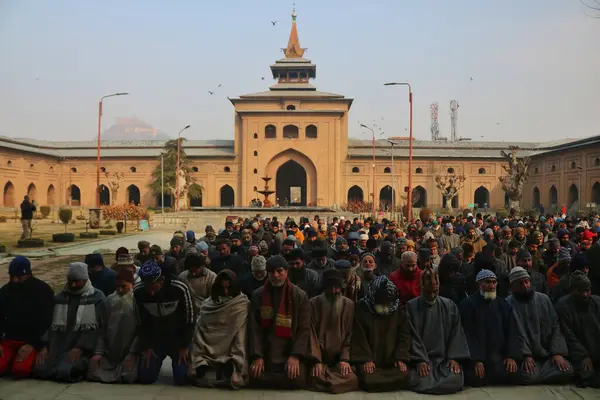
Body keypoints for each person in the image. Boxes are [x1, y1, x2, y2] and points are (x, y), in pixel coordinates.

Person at [32, 263, 106, 382]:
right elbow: (51, 326)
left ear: (85, 279)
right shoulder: (60, 297)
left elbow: (97, 329)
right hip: (58, 346)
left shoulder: (97, 297)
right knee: (39, 367)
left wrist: (80, 348)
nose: (73, 285)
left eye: (77, 281)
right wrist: (45, 347)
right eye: (70, 281)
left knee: (66, 370)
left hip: (84, 349)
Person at [247, 255, 311, 389]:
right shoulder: (258, 295)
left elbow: (303, 329)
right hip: (267, 353)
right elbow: (254, 329)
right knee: (253, 375)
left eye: (279, 271)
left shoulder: (299, 295)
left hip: (289, 352)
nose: (275, 275)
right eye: (271, 272)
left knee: (297, 379)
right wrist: (257, 356)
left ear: (286, 272)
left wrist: (295, 356)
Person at [506, 267, 574, 384]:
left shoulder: (544, 299)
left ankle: (539, 375)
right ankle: (541, 374)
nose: (525, 286)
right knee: (527, 376)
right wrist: (525, 355)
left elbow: (555, 327)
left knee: (568, 369)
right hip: (527, 357)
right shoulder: (508, 304)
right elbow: (513, 334)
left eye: (526, 281)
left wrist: (557, 353)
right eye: (520, 283)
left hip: (548, 355)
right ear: (513, 286)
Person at [407, 268, 470, 394]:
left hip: (444, 360)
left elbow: (456, 333)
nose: (431, 295)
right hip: (422, 359)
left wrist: (454, 358)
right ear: (421, 287)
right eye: (428, 292)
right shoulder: (411, 306)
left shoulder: (449, 305)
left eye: (435, 291)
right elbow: (411, 337)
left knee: (455, 378)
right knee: (417, 377)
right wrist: (420, 360)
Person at [134, 260, 195, 386]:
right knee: (146, 377)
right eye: (147, 288)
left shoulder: (179, 287)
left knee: (182, 379)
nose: (150, 293)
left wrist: (184, 346)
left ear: (161, 281)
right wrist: (146, 347)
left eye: (153, 288)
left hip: (178, 340)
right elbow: (140, 323)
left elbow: (190, 319)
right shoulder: (139, 291)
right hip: (156, 341)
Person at [189, 269, 250, 389]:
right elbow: (201, 328)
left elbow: (240, 333)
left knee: (241, 337)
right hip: (208, 344)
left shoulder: (242, 304)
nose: (226, 292)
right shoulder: (208, 304)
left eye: (229, 289)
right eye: (223, 289)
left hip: (230, 346)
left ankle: (230, 370)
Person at [459, 269, 521, 386]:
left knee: (516, 374)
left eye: (494, 282)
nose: (492, 286)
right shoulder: (468, 305)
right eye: (488, 282)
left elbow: (511, 331)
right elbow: (467, 335)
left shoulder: (503, 304)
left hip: (499, 357)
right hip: (478, 359)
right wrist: (477, 360)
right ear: (478, 285)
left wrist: (511, 356)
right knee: (474, 377)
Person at [351, 275, 412, 392]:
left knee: (404, 374)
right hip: (371, 360)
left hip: (391, 360)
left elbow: (404, 336)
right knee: (367, 378)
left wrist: (400, 358)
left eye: (387, 302)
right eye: (382, 302)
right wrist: (366, 359)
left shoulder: (398, 310)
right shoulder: (362, 308)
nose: (385, 305)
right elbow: (359, 337)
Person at [0, 256, 54, 378]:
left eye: (18, 277)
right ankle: (9, 360)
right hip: (8, 340)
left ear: (28, 274)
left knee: (20, 371)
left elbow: (45, 322)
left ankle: (13, 362)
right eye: (11, 276)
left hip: (29, 341)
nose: (14, 280)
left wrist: (33, 344)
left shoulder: (42, 290)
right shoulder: (5, 291)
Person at [308, 269, 359, 394]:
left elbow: (351, 335)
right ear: (324, 288)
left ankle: (326, 382)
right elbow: (311, 335)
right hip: (320, 358)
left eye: (337, 288)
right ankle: (329, 380)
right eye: (329, 288)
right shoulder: (313, 303)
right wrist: (317, 361)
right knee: (309, 374)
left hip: (339, 361)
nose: (333, 291)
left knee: (352, 378)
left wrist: (345, 359)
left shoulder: (350, 305)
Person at [87, 269, 138, 383]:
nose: (120, 290)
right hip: (111, 353)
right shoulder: (110, 300)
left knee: (129, 375)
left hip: (130, 352)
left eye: (123, 286)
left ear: (132, 284)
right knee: (92, 368)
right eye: (117, 286)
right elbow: (102, 329)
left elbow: (141, 332)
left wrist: (132, 353)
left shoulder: (137, 301)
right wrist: (98, 353)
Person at [555, 271, 600, 388]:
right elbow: (568, 335)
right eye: (580, 291)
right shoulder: (564, 306)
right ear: (572, 290)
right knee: (586, 375)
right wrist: (583, 355)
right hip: (577, 353)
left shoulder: (597, 302)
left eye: (587, 290)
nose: (585, 294)